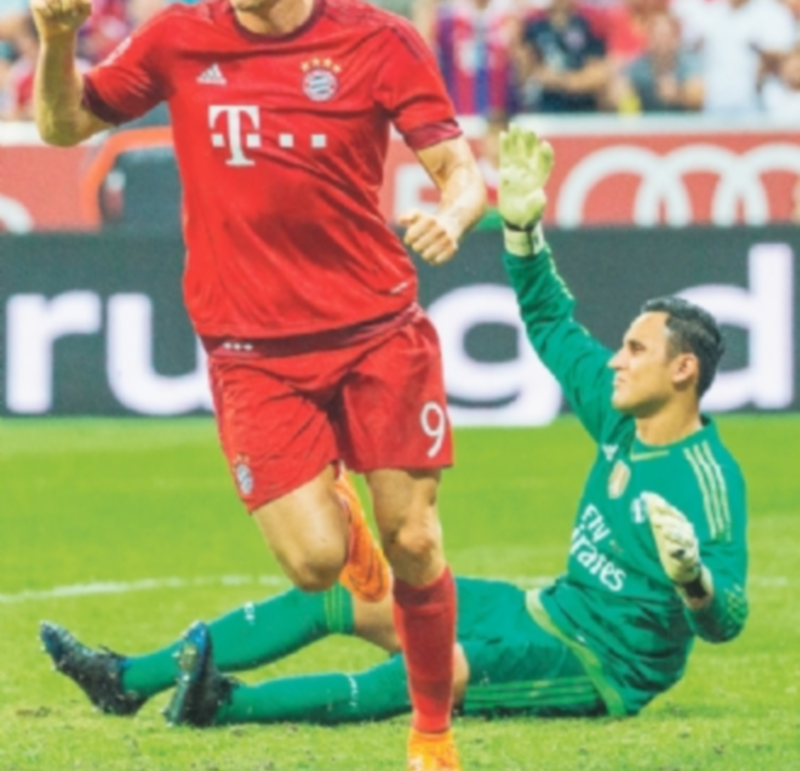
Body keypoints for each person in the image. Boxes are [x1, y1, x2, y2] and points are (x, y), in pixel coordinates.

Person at [41, 126, 748, 738]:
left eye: (635, 350)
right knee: (339, 594)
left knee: (425, 671)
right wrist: (523, 233)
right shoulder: (619, 415)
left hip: (599, 663)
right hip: (546, 607)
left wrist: (695, 581)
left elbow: (728, 620)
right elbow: (551, 321)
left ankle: (224, 706)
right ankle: (125, 679)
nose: (616, 360)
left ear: (683, 370)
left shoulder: (709, 479)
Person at [30, 0, 487, 771]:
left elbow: (460, 170)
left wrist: (453, 215)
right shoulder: (178, 39)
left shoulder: (377, 40)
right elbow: (64, 127)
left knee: (414, 540)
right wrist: (58, 41)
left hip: (376, 330)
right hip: (251, 351)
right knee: (319, 564)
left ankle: (433, 738)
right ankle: (341, 520)